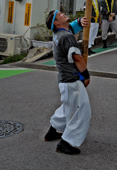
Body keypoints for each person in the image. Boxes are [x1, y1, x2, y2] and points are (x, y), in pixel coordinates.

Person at [44, 10, 91, 155]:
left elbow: (70, 27)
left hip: (64, 79)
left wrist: (79, 22)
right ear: (56, 23)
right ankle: (66, 143)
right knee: (80, 111)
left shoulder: (59, 34)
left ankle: (52, 131)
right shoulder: (67, 37)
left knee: (68, 107)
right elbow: (77, 58)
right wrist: (86, 75)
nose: (64, 14)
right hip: (72, 79)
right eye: (60, 15)